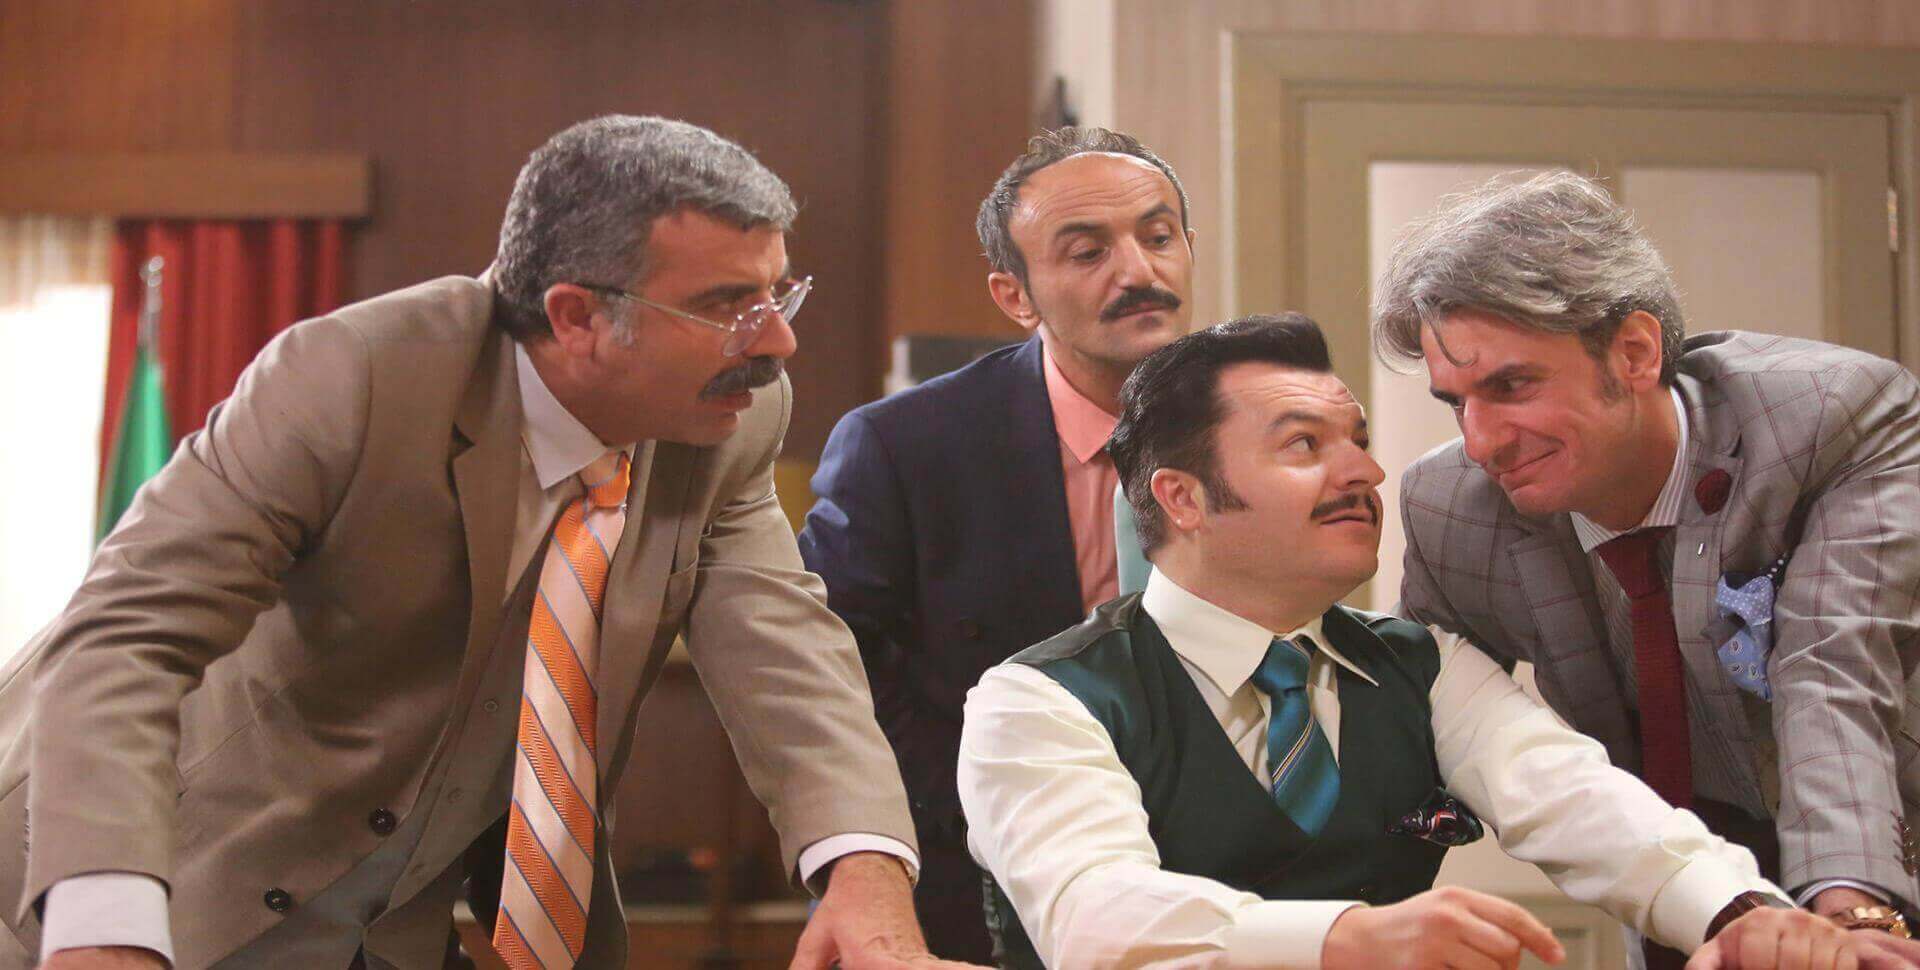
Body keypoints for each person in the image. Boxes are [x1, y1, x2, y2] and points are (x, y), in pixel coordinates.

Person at [0, 116, 956, 970]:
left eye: (779, 294)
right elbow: (125, 639)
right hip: (149, 890)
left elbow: (786, 653)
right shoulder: (349, 377)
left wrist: (863, 869)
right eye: (724, 305)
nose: (778, 343)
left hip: (399, 930)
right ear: (578, 317)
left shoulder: (729, 420)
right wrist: (104, 924)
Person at [958, 314, 1860, 970]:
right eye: (1304, 445)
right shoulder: (1038, 700)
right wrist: (1348, 937)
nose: (1366, 470)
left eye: (1356, 439)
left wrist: (1741, 914)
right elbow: (1095, 920)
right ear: (1183, 499)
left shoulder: (1425, 667)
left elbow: (1584, 803)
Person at [1379, 171, 1920, 967]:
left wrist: (1852, 918)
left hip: (1885, 858)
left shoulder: (1829, 420)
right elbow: (1417, 726)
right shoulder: (1451, 507)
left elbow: (1831, 670)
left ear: (1634, 351)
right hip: (1688, 903)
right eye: (1455, 401)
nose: (1482, 441)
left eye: (1512, 385)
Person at [797, 126, 1194, 958]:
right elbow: (827, 669)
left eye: (1159, 237)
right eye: (1088, 252)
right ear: (1016, 296)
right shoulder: (905, 444)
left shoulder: (1253, 422)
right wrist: (989, 807)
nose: (1138, 272)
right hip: (968, 868)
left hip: (1202, 874)